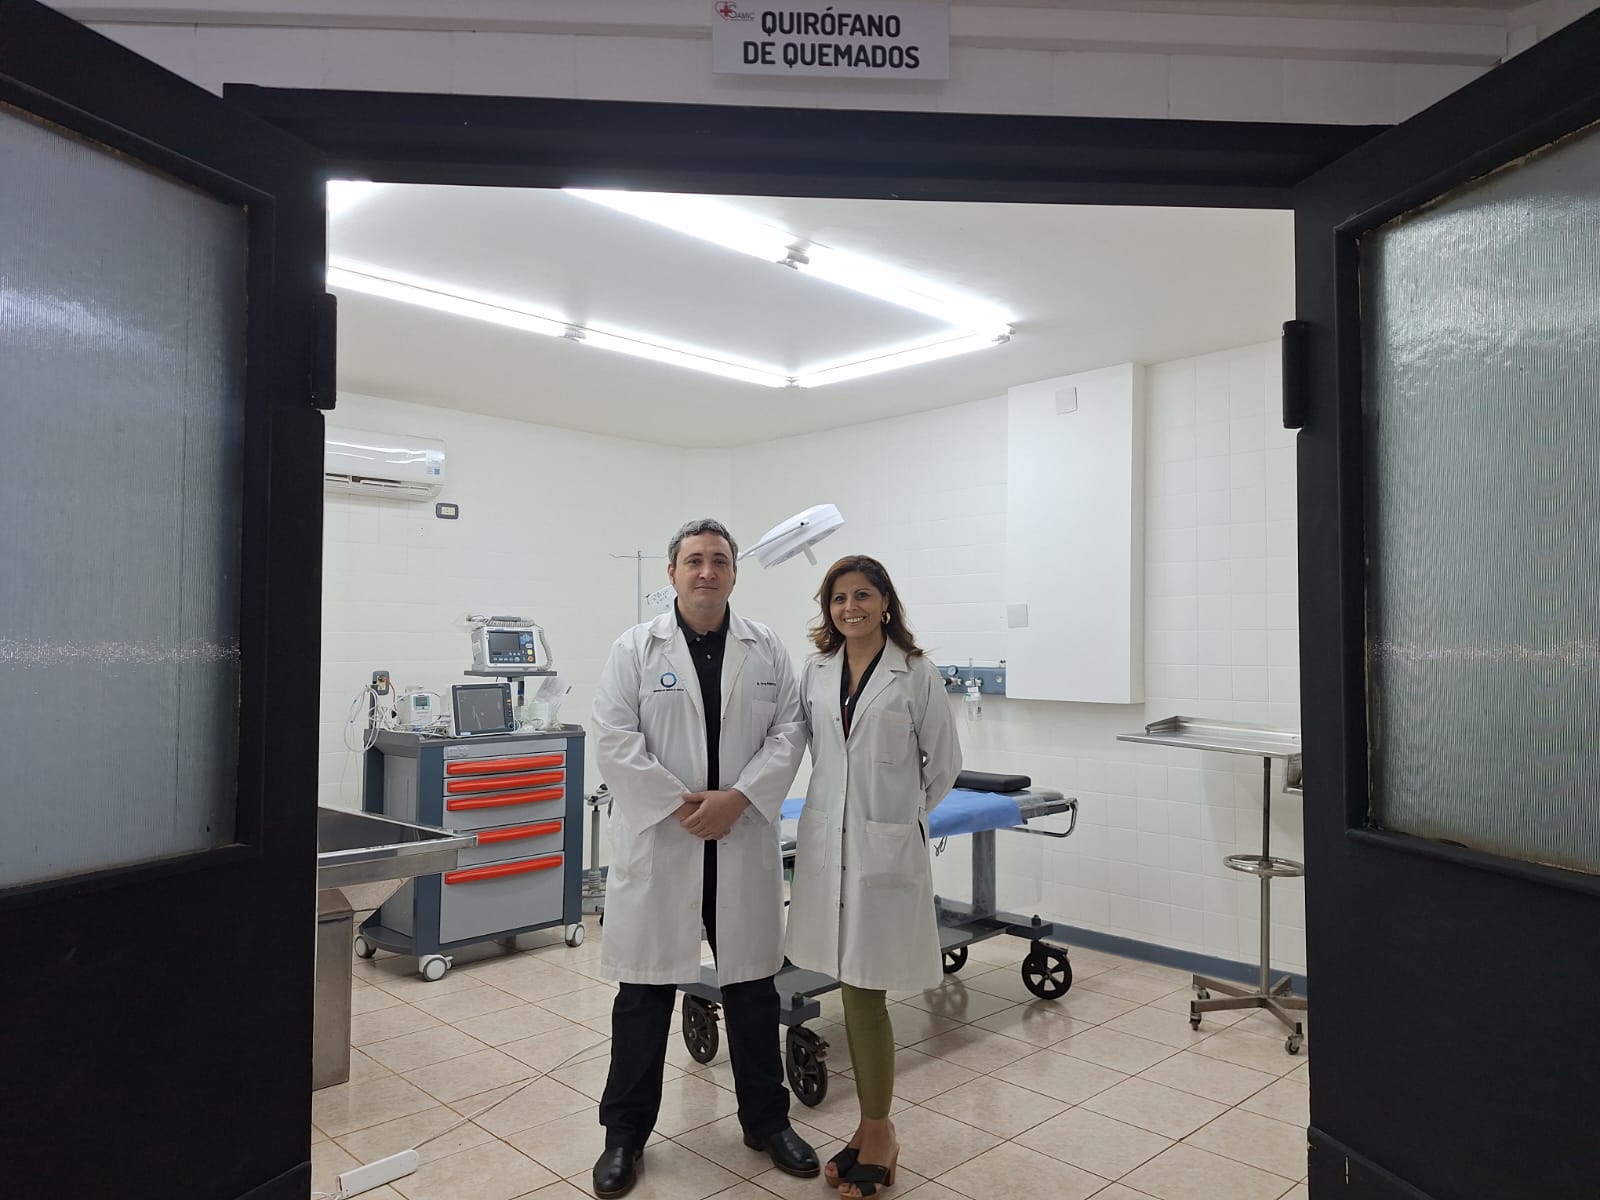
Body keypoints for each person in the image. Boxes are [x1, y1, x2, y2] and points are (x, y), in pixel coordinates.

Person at [589, 518, 819, 1199]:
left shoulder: (765, 647)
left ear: (734, 573)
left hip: (739, 841)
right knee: (643, 997)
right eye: (694, 560)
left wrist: (738, 800)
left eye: (719, 560)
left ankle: (767, 1122)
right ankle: (624, 1136)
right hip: (666, 842)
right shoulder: (635, 648)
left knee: (752, 992)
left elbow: (790, 732)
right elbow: (614, 738)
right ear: (673, 573)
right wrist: (684, 807)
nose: (707, 571)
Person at [786, 555, 962, 1199]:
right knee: (851, 988)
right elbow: (803, 747)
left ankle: (880, 1132)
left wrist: (899, 820)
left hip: (883, 850)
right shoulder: (816, 671)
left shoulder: (914, 672)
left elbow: (944, 764)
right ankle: (869, 1130)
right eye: (839, 598)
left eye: (863, 595)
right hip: (828, 845)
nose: (850, 607)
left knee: (865, 992)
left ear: (885, 602)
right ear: (827, 608)